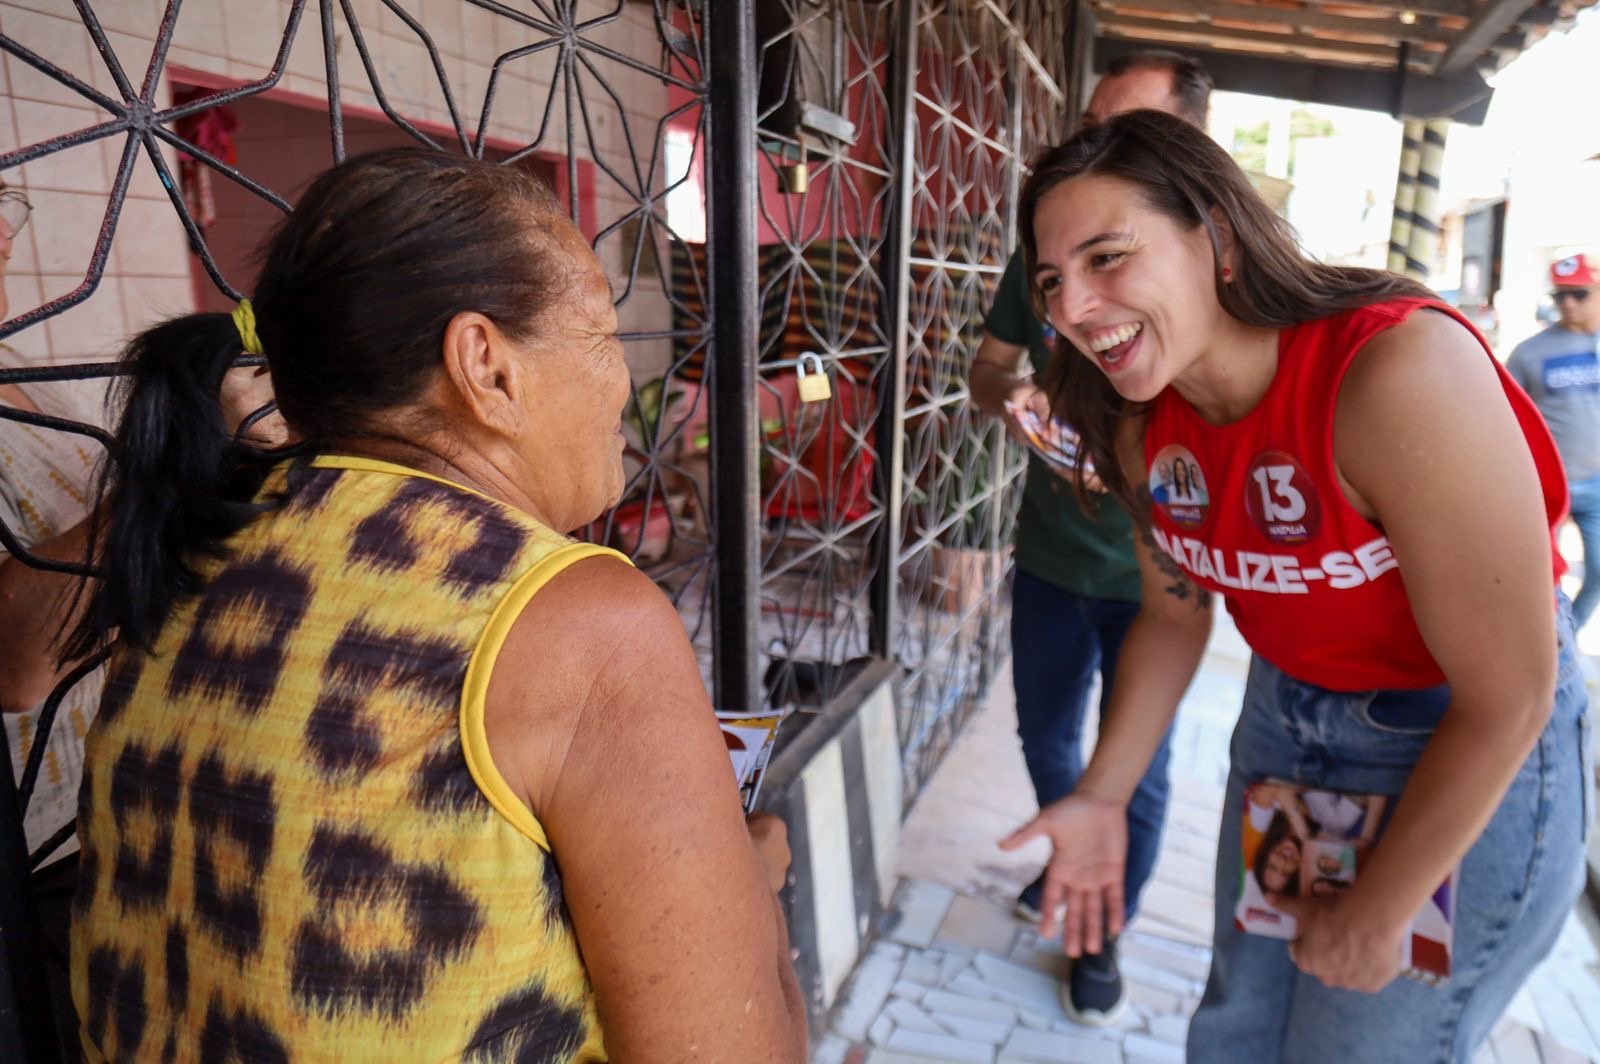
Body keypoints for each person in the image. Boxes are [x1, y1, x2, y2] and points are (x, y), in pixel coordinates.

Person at [63, 149, 807, 1062]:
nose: (623, 381)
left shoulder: (194, 532)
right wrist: (756, 890)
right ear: (485, 367)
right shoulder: (579, 617)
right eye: (604, 334)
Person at [1000, 111, 1590, 1062]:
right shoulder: (1139, 425)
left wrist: (1390, 899)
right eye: (1052, 281)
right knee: (1233, 1032)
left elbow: (1511, 690)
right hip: (1286, 723)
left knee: (1357, 1045)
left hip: (1460, 736)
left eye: (1108, 256)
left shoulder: (1392, 368)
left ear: (1218, 238)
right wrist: (1103, 795)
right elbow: (1170, 613)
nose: (1072, 305)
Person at [967, 48, 1212, 1024]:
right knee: (1045, 733)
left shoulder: (1220, 276)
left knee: (1137, 763)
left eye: (1131, 130)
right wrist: (1016, 394)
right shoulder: (1056, 247)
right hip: (1051, 555)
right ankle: (1077, 849)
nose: (1097, 148)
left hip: (1157, 573)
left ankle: (1099, 935)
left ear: (1191, 143)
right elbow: (988, 366)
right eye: (1091, 124)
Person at [1506, 252, 1600, 628]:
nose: (1568, 303)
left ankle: (1569, 638)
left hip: (1597, 484)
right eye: (1559, 295)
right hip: (1547, 486)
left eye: (1578, 293)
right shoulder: (1530, 353)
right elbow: (1505, 416)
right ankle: (1553, 648)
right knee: (1541, 578)